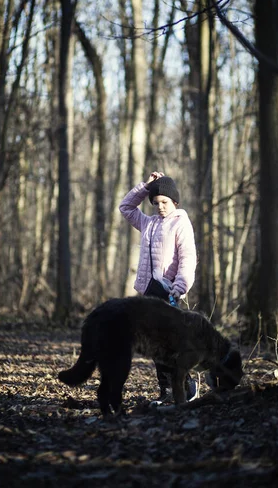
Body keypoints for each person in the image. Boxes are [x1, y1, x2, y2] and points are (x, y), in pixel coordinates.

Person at [119, 171, 198, 402]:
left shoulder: (181, 223)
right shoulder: (149, 223)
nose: (160, 207)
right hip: (149, 294)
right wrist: (146, 187)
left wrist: (180, 286)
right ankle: (166, 392)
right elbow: (126, 208)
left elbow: (188, 258)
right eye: (155, 203)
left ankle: (186, 387)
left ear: (175, 201)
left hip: (170, 292)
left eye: (164, 202)